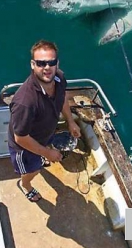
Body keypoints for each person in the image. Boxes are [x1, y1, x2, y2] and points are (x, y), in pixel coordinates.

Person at [8, 40, 81, 202]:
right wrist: (47, 153)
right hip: (24, 148)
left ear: (57, 63)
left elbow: (62, 99)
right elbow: (20, 138)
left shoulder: (59, 78)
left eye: (51, 62)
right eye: (41, 63)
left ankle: (40, 160)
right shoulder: (25, 102)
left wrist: (70, 121)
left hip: (45, 135)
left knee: (39, 162)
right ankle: (25, 185)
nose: (47, 67)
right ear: (33, 65)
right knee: (32, 170)